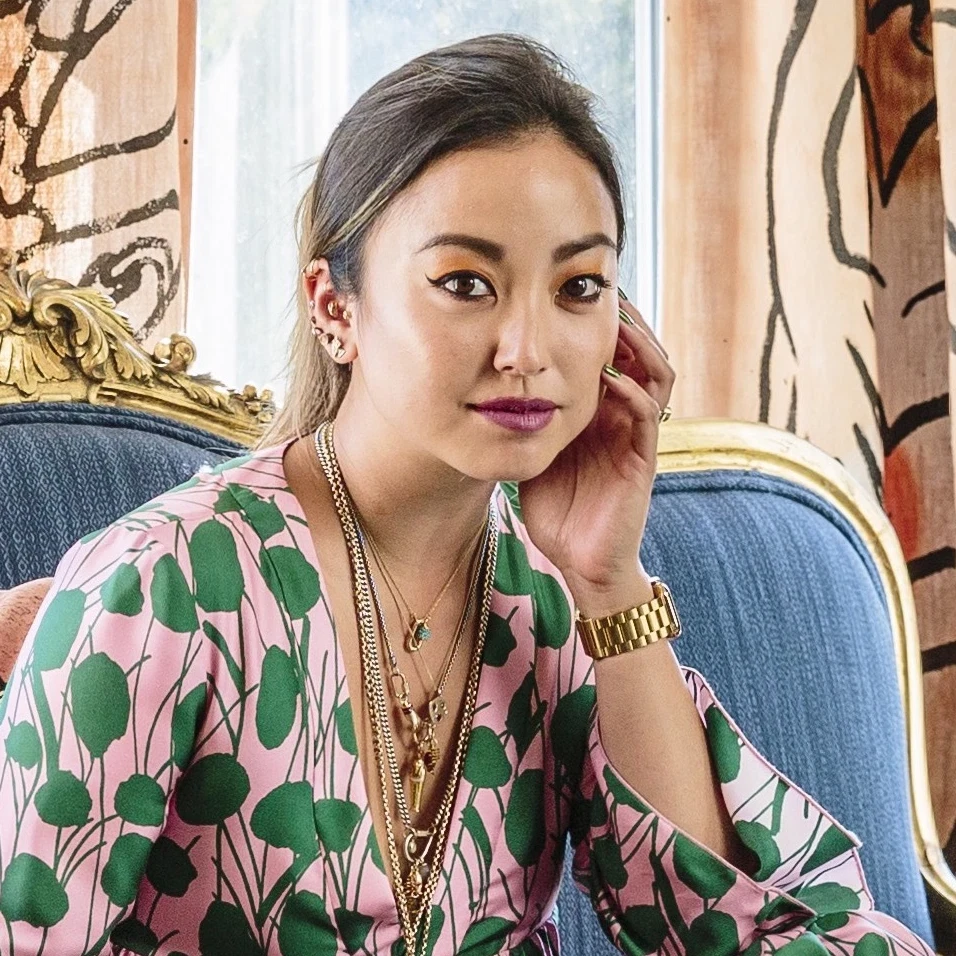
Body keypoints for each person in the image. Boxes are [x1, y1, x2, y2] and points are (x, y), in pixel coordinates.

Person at [0, 32, 934, 956]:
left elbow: (730, 935)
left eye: (579, 287)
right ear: (335, 308)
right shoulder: (163, 590)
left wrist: (608, 579)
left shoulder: (552, 604)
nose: (527, 348)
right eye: (465, 282)